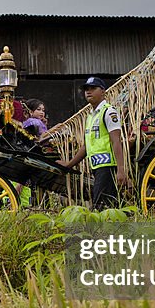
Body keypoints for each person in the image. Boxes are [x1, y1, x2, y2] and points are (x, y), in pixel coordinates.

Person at [58, 77, 130, 209]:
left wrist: (120, 169)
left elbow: (116, 141)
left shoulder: (109, 112)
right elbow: (86, 146)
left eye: (93, 88)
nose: (88, 92)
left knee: (100, 206)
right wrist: (69, 164)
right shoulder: (91, 116)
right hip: (97, 167)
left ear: (103, 91)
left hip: (108, 166)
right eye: (86, 89)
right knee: (108, 206)